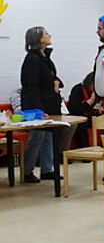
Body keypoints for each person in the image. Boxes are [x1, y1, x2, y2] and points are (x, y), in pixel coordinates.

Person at [20, 26, 63, 182]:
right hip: (37, 106)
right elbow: (31, 87)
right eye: (46, 34)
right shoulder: (32, 59)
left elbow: (50, 77)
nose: (49, 35)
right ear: (38, 38)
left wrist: (57, 82)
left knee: (48, 136)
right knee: (37, 136)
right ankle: (27, 171)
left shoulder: (44, 57)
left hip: (48, 104)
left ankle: (47, 169)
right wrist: (38, 110)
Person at [67, 72, 98, 148]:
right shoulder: (78, 89)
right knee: (81, 124)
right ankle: (86, 149)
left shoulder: (99, 93)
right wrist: (90, 102)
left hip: (92, 117)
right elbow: (74, 110)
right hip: (78, 117)